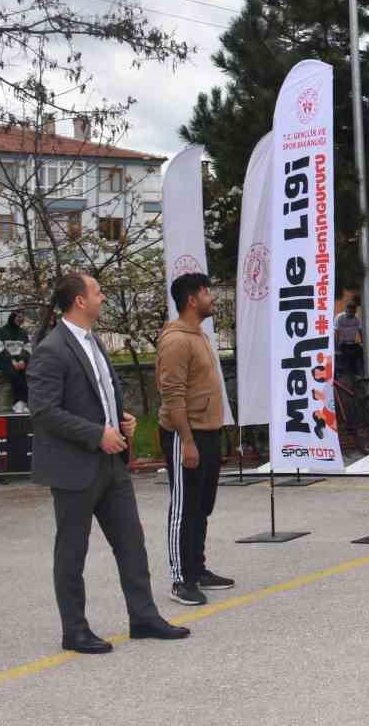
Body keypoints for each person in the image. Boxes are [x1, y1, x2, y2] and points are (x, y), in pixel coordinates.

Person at [28, 270, 188, 653]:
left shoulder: (93, 341)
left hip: (111, 465)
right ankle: (75, 630)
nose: (103, 297)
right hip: (74, 468)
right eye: (97, 292)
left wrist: (120, 419)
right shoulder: (51, 349)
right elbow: (44, 411)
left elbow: (98, 395)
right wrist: (96, 433)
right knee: (72, 552)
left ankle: (144, 617)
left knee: (131, 542)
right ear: (80, 301)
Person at [156, 272, 235, 608]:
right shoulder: (176, 340)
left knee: (202, 506)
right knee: (183, 508)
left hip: (207, 431)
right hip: (185, 434)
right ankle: (180, 579)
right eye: (206, 292)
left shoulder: (197, 334)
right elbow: (172, 394)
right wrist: (186, 440)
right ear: (192, 299)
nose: (211, 297)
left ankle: (197, 569)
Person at [0, 310, 33, 413]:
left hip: (20, 361)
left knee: (25, 374)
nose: (20, 320)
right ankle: (19, 402)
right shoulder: (2, 331)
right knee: (14, 374)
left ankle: (21, 402)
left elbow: (28, 348)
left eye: (22, 318)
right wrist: (12, 361)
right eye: (18, 318)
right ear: (12, 318)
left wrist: (23, 360)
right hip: (4, 360)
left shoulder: (23, 332)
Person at [334, 299, 364, 380]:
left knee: (360, 354)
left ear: (355, 311)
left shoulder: (357, 319)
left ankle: (359, 374)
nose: (351, 314)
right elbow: (336, 332)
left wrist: (362, 342)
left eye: (353, 312)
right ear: (346, 310)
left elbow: (360, 331)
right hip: (342, 343)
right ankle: (346, 376)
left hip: (352, 343)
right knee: (346, 358)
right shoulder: (339, 318)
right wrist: (336, 347)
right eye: (349, 311)